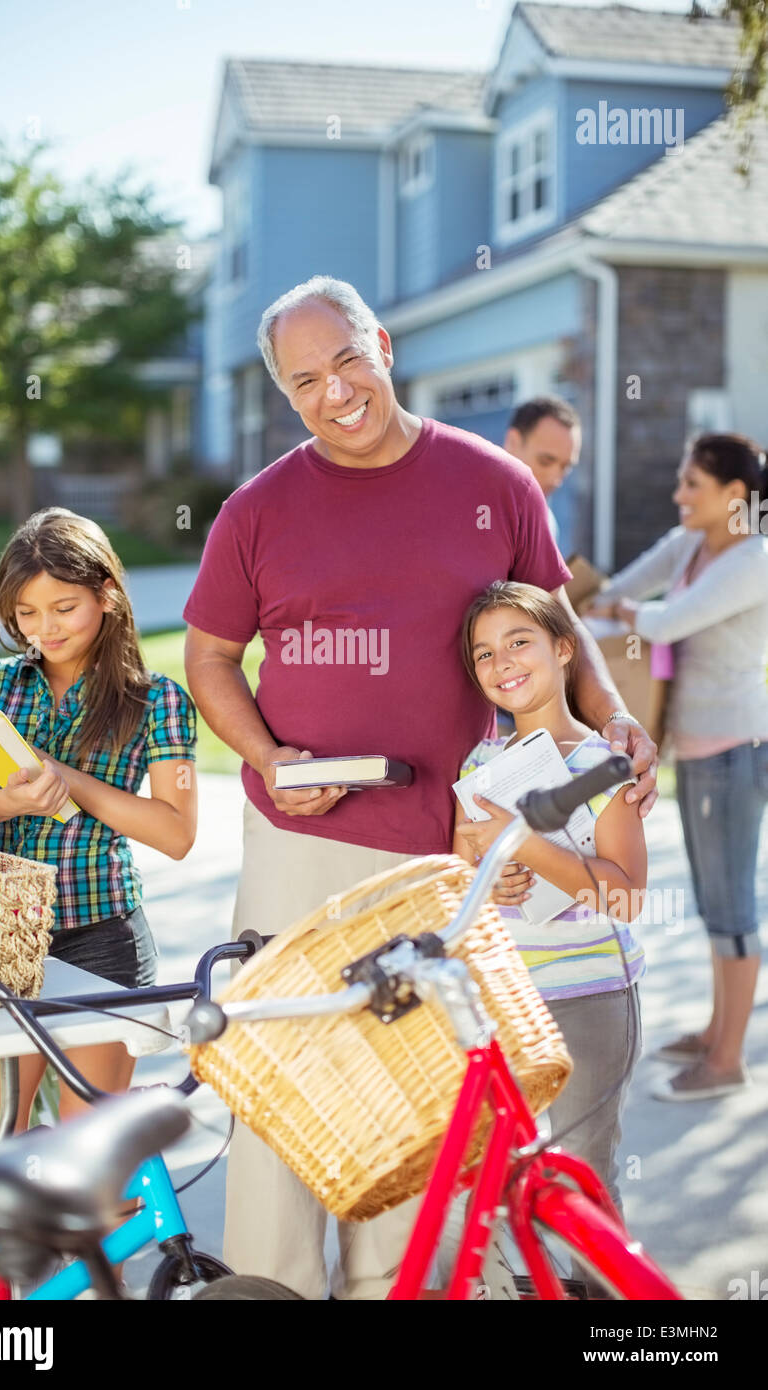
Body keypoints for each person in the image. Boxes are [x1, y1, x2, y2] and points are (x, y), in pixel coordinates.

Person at [183, 274, 658, 1301]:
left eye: (346, 359)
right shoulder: (256, 509)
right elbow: (210, 656)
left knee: (410, 1112)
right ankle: (270, 1288)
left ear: (384, 345)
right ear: (284, 394)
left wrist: (614, 712)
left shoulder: (492, 481)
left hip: (446, 850)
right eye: (303, 380)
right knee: (284, 1084)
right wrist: (268, 757)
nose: (334, 391)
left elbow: (560, 628)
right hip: (297, 845)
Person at [0, 508, 198, 1146]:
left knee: (91, 1170)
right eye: (27, 612)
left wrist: (68, 779)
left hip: (103, 937)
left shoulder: (156, 700)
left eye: (63, 607)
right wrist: (11, 803)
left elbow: (175, 833)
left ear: (106, 594)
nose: (44, 628)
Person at [585, 434, 768, 1101]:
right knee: (713, 898)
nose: (679, 495)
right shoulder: (690, 542)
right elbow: (619, 589)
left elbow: (668, 620)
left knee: (732, 903)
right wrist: (608, 606)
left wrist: (624, 611)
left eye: (693, 484)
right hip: (694, 744)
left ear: (734, 495)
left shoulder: (754, 559)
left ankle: (727, 1061)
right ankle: (718, 1029)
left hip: (736, 748)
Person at [454, 581, 647, 1205]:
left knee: (582, 1182)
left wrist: (528, 844)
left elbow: (625, 896)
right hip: (501, 1000)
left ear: (564, 649)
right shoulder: (477, 764)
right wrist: (492, 879)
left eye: (518, 641)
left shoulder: (604, 763)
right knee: (490, 1182)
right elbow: (463, 871)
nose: (501, 661)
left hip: (589, 996)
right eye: (483, 653)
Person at [504, 396, 581, 546]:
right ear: (513, 442)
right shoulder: (471, 507)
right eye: (545, 461)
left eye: (566, 467)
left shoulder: (547, 523)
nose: (556, 479)